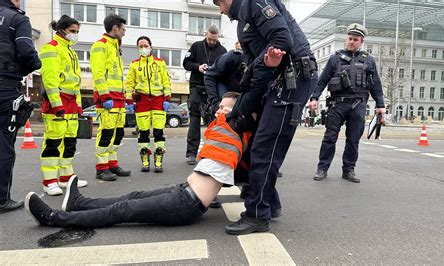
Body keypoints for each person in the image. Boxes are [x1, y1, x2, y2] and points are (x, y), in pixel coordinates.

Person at [24, 92, 255, 228]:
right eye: (219, 106)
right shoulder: (219, 127)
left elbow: (250, 101)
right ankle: (78, 203)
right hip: (183, 191)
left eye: (224, 108)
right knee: (131, 197)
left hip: (187, 204)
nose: (218, 110)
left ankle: (54, 218)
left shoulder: (237, 131)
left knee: (123, 210)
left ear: (238, 114)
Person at [213, 0, 318, 235]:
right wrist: (244, 104)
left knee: (265, 147)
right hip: (279, 79)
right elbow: (255, 70)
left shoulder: (254, 3)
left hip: (292, 78)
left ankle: (258, 215)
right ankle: (270, 204)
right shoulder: (244, 20)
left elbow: (281, 41)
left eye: (218, 2)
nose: (219, 9)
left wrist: (247, 98)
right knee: (256, 142)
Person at [310, 23, 385, 184]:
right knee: (329, 138)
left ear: (361, 41)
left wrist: (380, 105)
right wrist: (314, 98)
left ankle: (348, 170)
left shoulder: (369, 61)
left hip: (358, 105)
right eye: (349, 38)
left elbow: (375, 84)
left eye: (355, 39)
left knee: (353, 140)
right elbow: (322, 80)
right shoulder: (335, 58)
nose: (351, 41)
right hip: (337, 104)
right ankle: (322, 168)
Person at [39, 15, 88, 196]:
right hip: (57, 101)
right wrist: (57, 105)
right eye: (73, 31)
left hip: (71, 103)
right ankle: (49, 181)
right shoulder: (51, 49)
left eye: (77, 32)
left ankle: (66, 177)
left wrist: (79, 105)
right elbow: (50, 80)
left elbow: (75, 83)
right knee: (53, 142)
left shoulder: (71, 51)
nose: (75, 35)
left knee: (69, 142)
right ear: (61, 30)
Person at [0, 0, 41, 213]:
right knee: (4, 144)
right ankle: (1, 199)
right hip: (5, 86)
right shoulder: (16, 18)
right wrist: (30, 66)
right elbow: (27, 52)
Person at [90, 14, 132, 181]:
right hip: (107, 98)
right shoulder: (101, 46)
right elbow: (98, 73)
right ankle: (101, 168)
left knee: (118, 133)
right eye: (122, 29)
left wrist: (125, 98)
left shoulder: (115, 46)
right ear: (115, 28)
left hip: (118, 98)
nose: (124, 32)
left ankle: (112, 164)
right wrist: (104, 95)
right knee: (106, 133)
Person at [126, 36, 171, 173]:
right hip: (142, 100)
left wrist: (167, 99)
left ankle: (158, 161)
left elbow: (166, 82)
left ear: (151, 47)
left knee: (159, 132)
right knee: (143, 133)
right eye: (140, 46)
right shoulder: (134, 64)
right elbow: (129, 84)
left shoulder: (160, 63)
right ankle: (145, 161)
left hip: (158, 100)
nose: (143, 48)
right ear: (137, 48)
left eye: (146, 46)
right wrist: (128, 100)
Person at [183, 25, 226, 165]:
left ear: (218, 37)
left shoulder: (223, 51)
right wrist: (198, 67)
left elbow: (226, 70)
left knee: (213, 121)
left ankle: (212, 153)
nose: (212, 42)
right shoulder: (196, 46)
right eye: (209, 39)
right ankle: (191, 154)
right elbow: (186, 63)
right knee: (195, 120)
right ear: (206, 34)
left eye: (214, 40)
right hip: (197, 87)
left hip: (212, 90)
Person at [204, 41, 244, 114]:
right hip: (224, 85)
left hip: (240, 88)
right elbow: (209, 75)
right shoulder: (231, 57)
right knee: (225, 106)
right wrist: (215, 101)